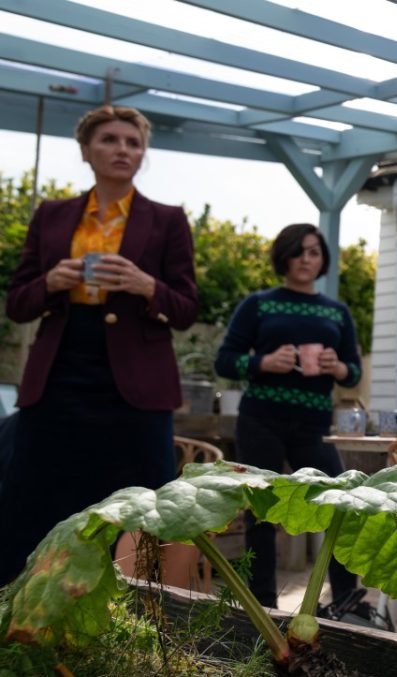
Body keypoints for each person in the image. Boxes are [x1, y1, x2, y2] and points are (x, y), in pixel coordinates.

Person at [0, 105, 198, 585]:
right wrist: (51, 281)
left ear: (142, 154)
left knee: (145, 504)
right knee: (29, 499)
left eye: (133, 143)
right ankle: (18, 608)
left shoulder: (168, 220)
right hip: (58, 374)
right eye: (110, 140)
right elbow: (18, 303)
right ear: (86, 150)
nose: (123, 150)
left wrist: (146, 285)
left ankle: (136, 615)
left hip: (137, 385)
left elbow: (187, 309)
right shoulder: (51, 216)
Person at [214, 223, 362, 610]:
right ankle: (262, 605)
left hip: (313, 426)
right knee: (260, 513)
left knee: (341, 504)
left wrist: (337, 367)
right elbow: (224, 361)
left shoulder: (337, 312)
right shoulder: (258, 304)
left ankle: (346, 601)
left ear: (322, 259)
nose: (305, 259)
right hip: (260, 420)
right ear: (284, 257)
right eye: (298, 252)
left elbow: (354, 372)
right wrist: (263, 362)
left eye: (314, 252)